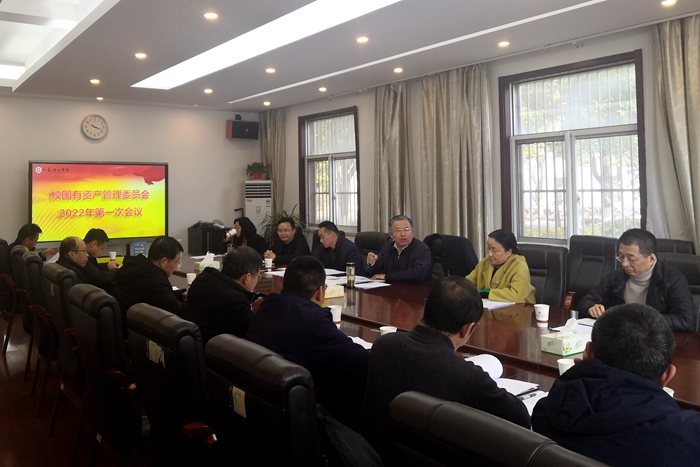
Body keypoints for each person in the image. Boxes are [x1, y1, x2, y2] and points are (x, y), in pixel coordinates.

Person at [361, 277, 530, 465]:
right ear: (467, 329)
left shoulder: (383, 345)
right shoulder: (464, 375)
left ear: (425, 308)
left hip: (372, 457)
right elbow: (521, 418)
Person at [532, 303, 700, 466]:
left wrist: (582, 374)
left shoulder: (544, 414)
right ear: (667, 376)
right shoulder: (689, 437)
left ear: (588, 352)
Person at [245, 256, 369, 428]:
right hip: (299, 413)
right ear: (320, 292)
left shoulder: (268, 305)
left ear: (283, 285)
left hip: (261, 404)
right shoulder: (313, 320)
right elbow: (363, 363)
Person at [578, 229, 695, 331]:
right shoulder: (616, 277)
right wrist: (591, 307)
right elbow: (586, 301)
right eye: (621, 256)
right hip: (620, 336)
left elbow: (685, 321)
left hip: (654, 339)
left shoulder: (673, 280)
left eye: (631, 259)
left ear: (651, 259)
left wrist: (639, 319)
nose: (624, 263)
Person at [185, 246, 260, 345]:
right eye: (258, 276)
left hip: (192, 343)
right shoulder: (235, 301)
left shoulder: (203, 279)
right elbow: (255, 334)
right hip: (212, 350)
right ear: (247, 277)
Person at [112, 236, 186, 326]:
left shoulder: (135, 268)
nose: (177, 266)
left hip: (123, 325)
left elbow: (163, 297)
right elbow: (181, 312)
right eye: (176, 261)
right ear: (164, 261)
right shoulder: (155, 282)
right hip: (135, 330)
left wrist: (181, 294)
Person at [466, 229, 535, 303]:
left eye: (494, 250)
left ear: (509, 251)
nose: (489, 253)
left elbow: (517, 295)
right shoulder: (485, 262)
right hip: (490, 307)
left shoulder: (519, 266)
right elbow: (467, 283)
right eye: (488, 248)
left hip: (519, 308)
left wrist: (487, 293)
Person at [364, 215, 432, 287]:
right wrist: (371, 262)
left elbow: (417, 274)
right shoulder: (388, 247)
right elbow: (375, 269)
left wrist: (387, 276)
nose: (403, 234)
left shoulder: (422, 249)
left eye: (406, 230)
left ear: (412, 232)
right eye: (398, 230)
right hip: (392, 289)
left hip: (416, 290)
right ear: (391, 234)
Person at [82, 228, 119, 293]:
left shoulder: (89, 255)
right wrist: (117, 271)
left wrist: (107, 265)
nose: (101, 253)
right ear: (94, 244)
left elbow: (95, 268)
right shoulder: (83, 257)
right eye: (102, 249)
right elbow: (99, 278)